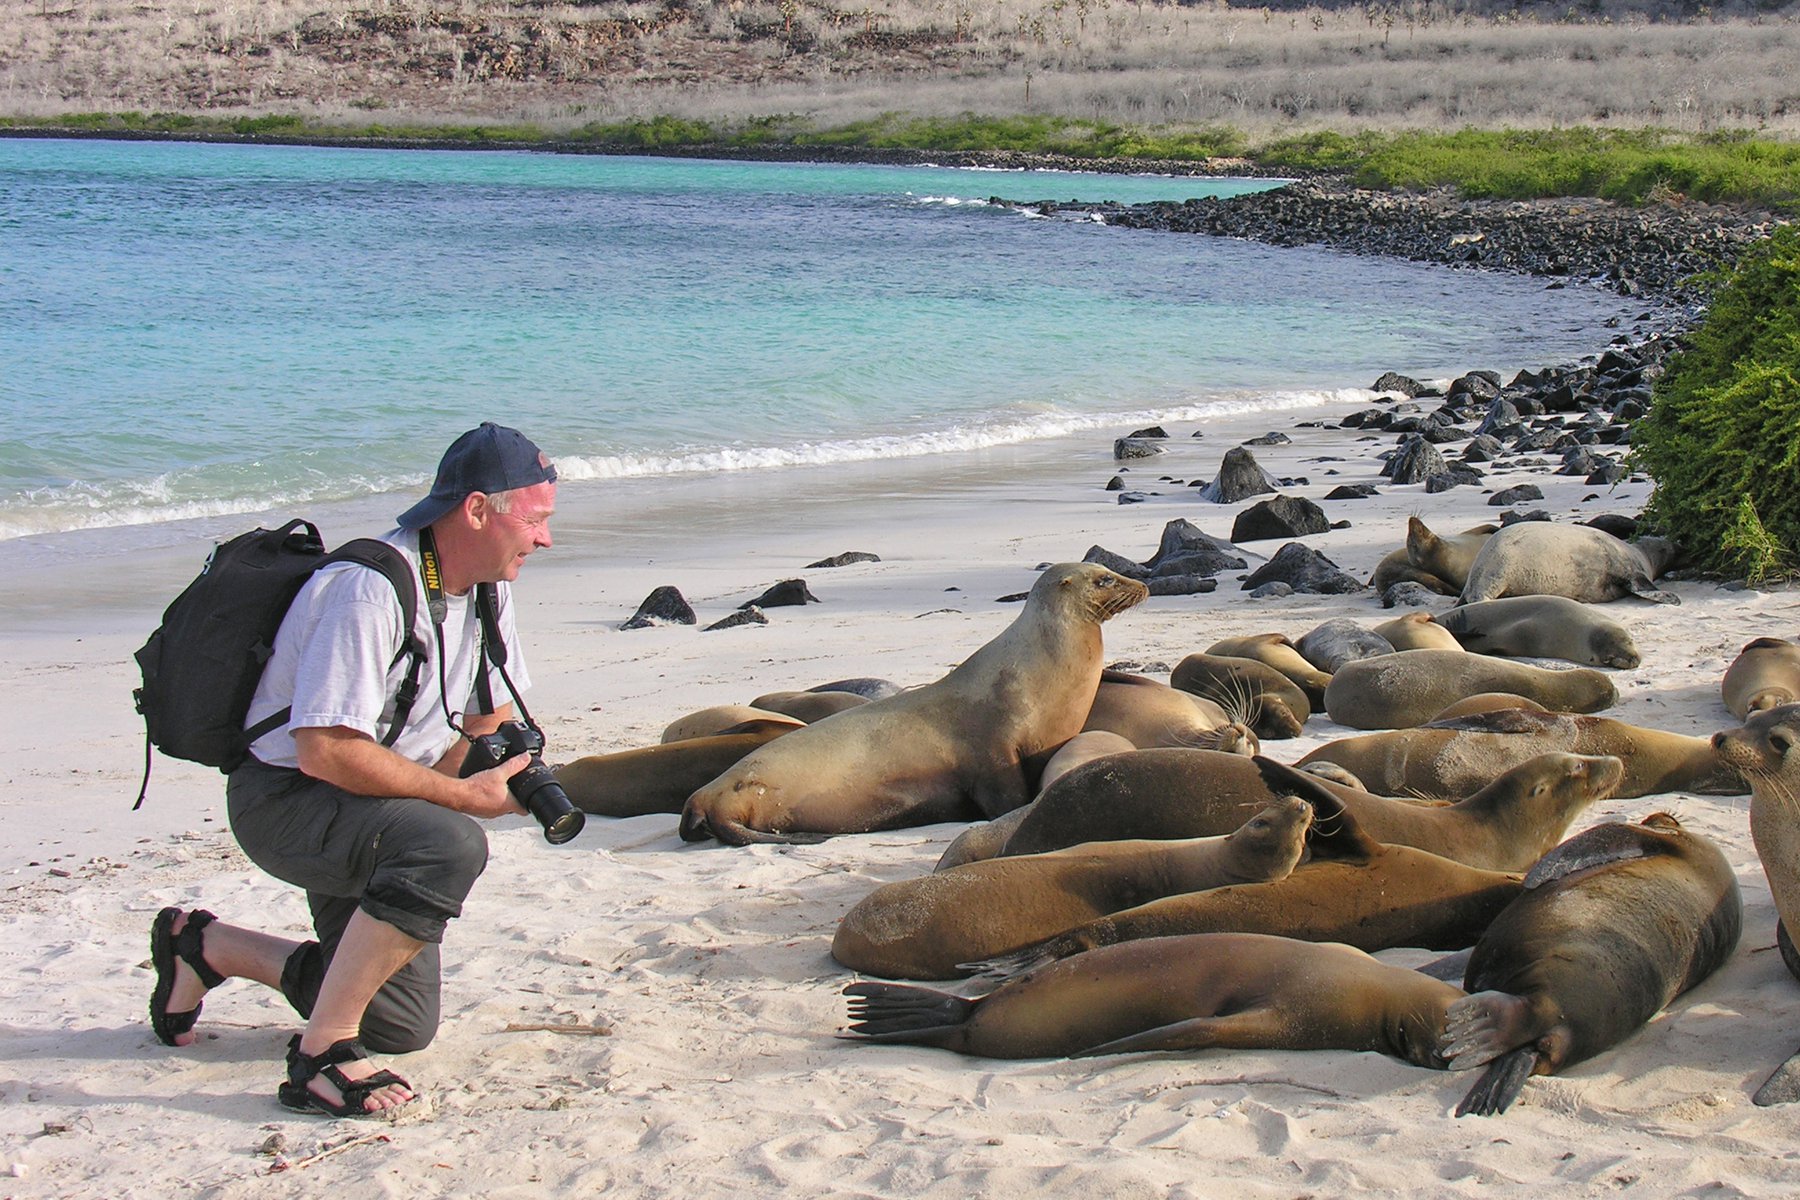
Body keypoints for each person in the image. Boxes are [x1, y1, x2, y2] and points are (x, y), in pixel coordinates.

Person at [147, 422, 558, 1117]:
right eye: (536, 519)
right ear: (478, 509)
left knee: (400, 1026)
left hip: (369, 808)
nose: (545, 538)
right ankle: (319, 1056)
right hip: (286, 801)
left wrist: (500, 770)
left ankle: (206, 947)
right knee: (449, 843)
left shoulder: (489, 590)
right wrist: (459, 798)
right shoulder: (368, 590)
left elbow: (483, 724)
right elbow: (325, 750)